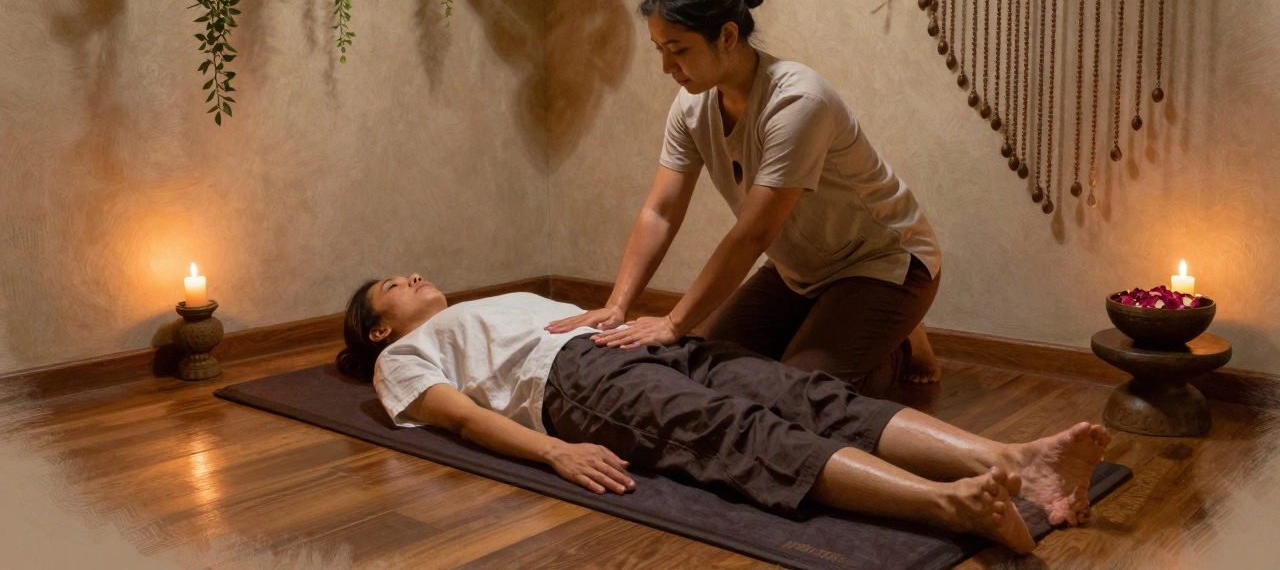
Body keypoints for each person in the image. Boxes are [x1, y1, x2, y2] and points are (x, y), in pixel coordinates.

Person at [339, 274, 1110, 555]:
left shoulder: (483, 301)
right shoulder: (398, 361)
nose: (411, 275)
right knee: (745, 436)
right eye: (391, 287)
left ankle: (1012, 460)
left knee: (807, 396)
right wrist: (554, 454)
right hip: (574, 385)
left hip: (628, 340)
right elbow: (463, 422)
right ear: (378, 327)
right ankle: (951, 504)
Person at [545, 0, 944, 397]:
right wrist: (617, 306)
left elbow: (752, 233)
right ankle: (853, 326)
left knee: (800, 395)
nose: (667, 68)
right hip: (801, 270)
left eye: (678, 50)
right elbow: (660, 211)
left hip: (884, 263)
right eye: (660, 50)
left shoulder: (797, 101)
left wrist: (675, 321)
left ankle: (899, 342)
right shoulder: (691, 107)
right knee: (705, 370)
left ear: (728, 36)